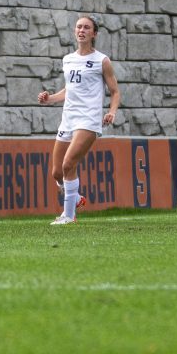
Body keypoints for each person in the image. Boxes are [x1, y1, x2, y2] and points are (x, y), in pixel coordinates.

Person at [38, 15, 120, 225]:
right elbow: (69, 90)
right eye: (79, 27)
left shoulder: (101, 61)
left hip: (88, 119)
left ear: (94, 34)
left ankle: (68, 215)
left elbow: (114, 91)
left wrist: (112, 111)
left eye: (86, 27)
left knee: (68, 164)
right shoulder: (68, 59)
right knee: (57, 172)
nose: (81, 30)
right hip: (69, 118)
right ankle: (74, 198)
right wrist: (50, 99)